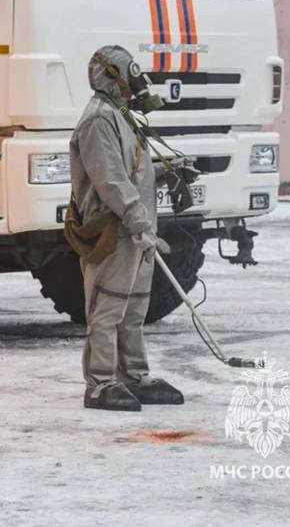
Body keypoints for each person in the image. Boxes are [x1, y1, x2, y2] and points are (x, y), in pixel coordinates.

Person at [69, 44, 185, 411]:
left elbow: (131, 170)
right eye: (129, 74)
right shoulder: (98, 119)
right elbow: (111, 181)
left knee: (133, 308)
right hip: (113, 229)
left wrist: (168, 171)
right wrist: (137, 219)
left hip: (136, 228)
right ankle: (101, 383)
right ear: (111, 76)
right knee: (107, 307)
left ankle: (133, 375)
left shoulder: (121, 116)